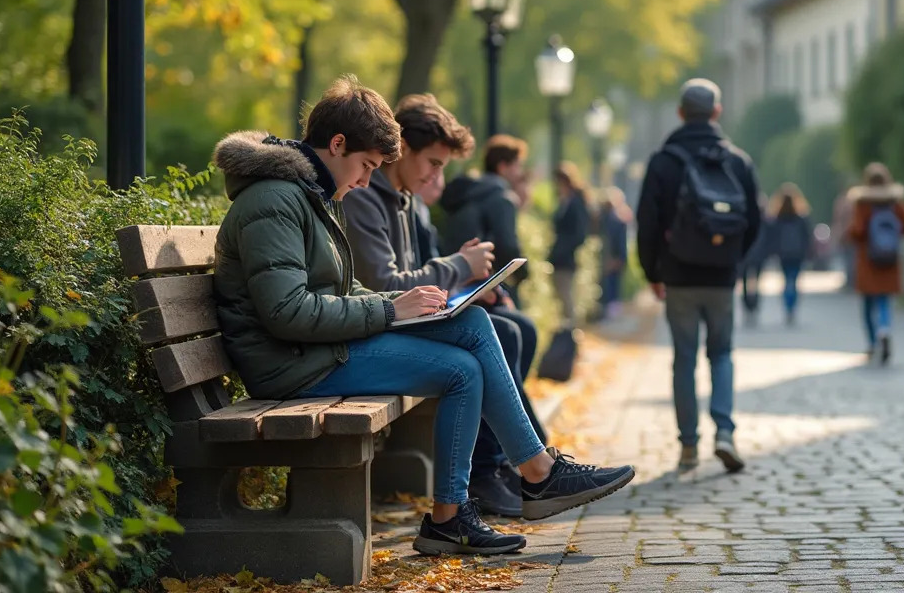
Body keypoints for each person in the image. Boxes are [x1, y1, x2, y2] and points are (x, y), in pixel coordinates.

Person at [210, 76, 634, 557]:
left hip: (316, 349)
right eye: (366, 166)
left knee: (470, 331)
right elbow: (287, 313)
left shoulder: (309, 193)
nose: (367, 180)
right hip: (291, 365)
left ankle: (489, 498)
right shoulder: (276, 200)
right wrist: (390, 307)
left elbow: (339, 291)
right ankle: (526, 478)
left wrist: (414, 304)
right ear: (337, 143)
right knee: (461, 368)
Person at [342, 94, 546, 517]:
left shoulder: (396, 197)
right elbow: (386, 285)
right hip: (369, 330)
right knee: (481, 342)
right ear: (404, 149)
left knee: (499, 327)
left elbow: (399, 284)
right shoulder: (365, 195)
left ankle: (512, 470)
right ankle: (509, 471)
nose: (437, 176)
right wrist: (458, 267)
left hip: (377, 323)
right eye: (433, 163)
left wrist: (466, 281)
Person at [636, 78, 761, 473]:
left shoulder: (663, 161)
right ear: (717, 112)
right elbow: (755, 221)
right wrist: (734, 261)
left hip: (678, 276)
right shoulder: (737, 160)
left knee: (684, 359)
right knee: (722, 353)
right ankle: (725, 431)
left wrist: (652, 271)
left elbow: (647, 223)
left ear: (680, 113)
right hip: (721, 276)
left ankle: (688, 446)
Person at [441, 135, 530, 304]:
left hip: (452, 281)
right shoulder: (501, 198)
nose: (520, 172)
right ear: (503, 167)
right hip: (482, 283)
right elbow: (507, 247)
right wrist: (523, 273)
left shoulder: (468, 192)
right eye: (517, 166)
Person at [846, 162, 904, 364]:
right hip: (890, 261)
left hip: (867, 261)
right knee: (884, 301)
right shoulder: (895, 202)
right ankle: (884, 330)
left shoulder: (862, 203)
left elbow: (857, 231)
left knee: (868, 305)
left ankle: (872, 343)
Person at [549, 162, 590, 327]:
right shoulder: (565, 201)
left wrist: (562, 250)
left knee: (567, 298)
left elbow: (579, 233)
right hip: (560, 257)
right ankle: (568, 335)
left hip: (565, 258)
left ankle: (571, 337)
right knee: (562, 298)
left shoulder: (574, 202)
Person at [769, 183, 812, 326]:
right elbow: (807, 237)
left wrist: (773, 251)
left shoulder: (777, 218)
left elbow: (773, 237)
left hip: (783, 254)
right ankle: (792, 306)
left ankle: (788, 306)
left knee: (787, 280)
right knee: (794, 280)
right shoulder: (801, 218)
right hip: (797, 254)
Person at [597, 187, 632, 321]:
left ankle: (609, 312)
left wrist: (618, 259)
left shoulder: (615, 220)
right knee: (610, 287)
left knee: (611, 287)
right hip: (612, 258)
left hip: (613, 259)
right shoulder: (612, 219)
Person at [739, 191, 770, 328]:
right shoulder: (765, 221)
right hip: (755, 255)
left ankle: (749, 305)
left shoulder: (744, 217)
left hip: (747, 254)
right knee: (755, 282)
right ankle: (753, 305)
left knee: (746, 283)